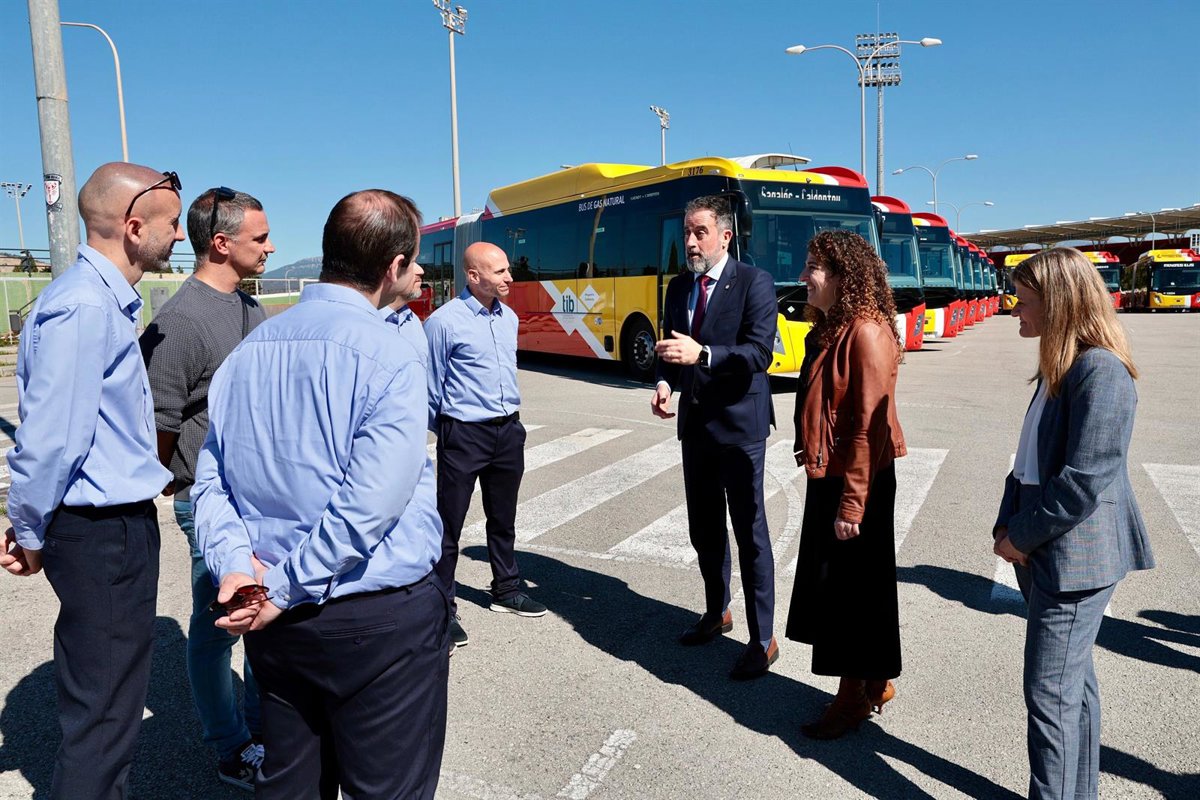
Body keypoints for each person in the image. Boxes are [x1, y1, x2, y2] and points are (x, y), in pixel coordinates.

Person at [192, 189, 448, 799]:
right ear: (393, 265)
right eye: (412, 260)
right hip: (373, 620)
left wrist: (236, 567)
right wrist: (280, 588)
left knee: (291, 783)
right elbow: (369, 509)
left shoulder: (247, 354)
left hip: (277, 621)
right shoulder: (390, 355)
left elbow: (211, 482)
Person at [1, 162, 183, 799]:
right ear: (133, 228)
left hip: (108, 529)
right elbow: (51, 439)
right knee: (103, 718)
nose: (179, 233)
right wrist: (27, 530)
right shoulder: (82, 306)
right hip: (101, 534)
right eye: (170, 222)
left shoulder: (97, 301)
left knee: (108, 708)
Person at [993, 247, 1154, 800]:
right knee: (1070, 688)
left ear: (1058, 303)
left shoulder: (1100, 371)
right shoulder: (1058, 366)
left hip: (1074, 558)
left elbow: (1083, 482)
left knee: (1050, 695)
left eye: (1024, 300)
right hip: (1045, 547)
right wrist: (1005, 526)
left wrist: (1019, 535)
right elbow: (1027, 461)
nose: (1015, 309)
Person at [139, 187, 273, 791]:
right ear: (221, 243)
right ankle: (231, 746)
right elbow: (158, 423)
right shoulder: (179, 321)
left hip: (259, 496)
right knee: (217, 627)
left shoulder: (249, 306)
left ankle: (265, 729)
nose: (270, 247)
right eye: (260, 238)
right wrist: (172, 484)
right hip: (207, 500)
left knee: (264, 613)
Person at [651, 194, 779, 680]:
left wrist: (703, 355)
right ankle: (716, 610)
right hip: (696, 426)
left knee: (750, 533)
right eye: (686, 232)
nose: (689, 241)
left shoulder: (753, 282)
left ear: (725, 236)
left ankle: (762, 639)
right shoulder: (679, 286)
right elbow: (671, 350)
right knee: (704, 527)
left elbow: (758, 353)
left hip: (740, 427)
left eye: (699, 232)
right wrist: (665, 383)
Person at [786, 230, 907, 739]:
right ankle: (873, 680)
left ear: (842, 276)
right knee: (850, 589)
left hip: (858, 479)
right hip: (833, 473)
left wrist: (853, 505)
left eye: (813, 267)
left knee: (851, 594)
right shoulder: (833, 328)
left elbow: (867, 427)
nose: (802, 276)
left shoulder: (866, 333)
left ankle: (851, 698)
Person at [425, 241, 547, 650]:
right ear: (474, 276)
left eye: (508, 269)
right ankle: (442, 607)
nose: (509, 277)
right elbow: (430, 387)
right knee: (449, 525)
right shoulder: (443, 323)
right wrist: (450, 431)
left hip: (507, 432)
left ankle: (506, 590)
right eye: (500, 272)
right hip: (464, 434)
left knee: (503, 518)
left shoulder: (508, 318)